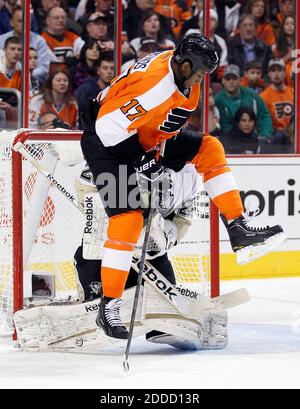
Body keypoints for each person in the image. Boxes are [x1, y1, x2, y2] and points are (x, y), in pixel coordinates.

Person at [80, 33, 284, 340]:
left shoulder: (185, 74)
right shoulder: (154, 85)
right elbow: (107, 127)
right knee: (129, 220)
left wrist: (155, 154)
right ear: (185, 64)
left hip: (140, 136)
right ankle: (109, 306)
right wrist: (142, 160)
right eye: (200, 71)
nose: (202, 78)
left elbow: (167, 123)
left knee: (209, 147)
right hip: (106, 143)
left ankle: (237, 227)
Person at [0, 7, 57, 83]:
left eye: (27, 21)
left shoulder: (39, 41)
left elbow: (43, 69)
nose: (24, 24)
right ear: (12, 22)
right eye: (20, 21)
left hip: (33, 84)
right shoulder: (1, 40)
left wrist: (23, 74)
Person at [215, 64, 273, 138]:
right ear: (223, 81)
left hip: (254, 138)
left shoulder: (252, 94)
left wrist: (264, 136)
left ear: (240, 80)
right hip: (231, 140)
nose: (231, 82)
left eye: (234, 78)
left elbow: (264, 115)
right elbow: (224, 126)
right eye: (228, 79)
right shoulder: (218, 100)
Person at [260, 58, 294, 151]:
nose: (276, 74)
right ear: (269, 74)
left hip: (294, 135)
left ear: (284, 72)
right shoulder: (263, 96)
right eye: (273, 70)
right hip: (275, 139)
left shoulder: (293, 92)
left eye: (279, 70)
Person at [75, 51, 114, 128]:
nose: (109, 72)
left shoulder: (118, 89)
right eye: (105, 68)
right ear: (98, 70)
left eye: (112, 68)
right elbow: (82, 119)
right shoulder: (85, 90)